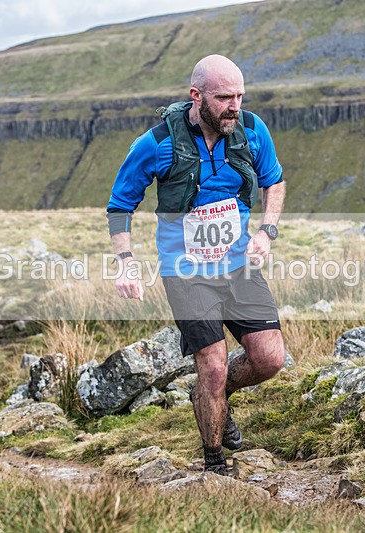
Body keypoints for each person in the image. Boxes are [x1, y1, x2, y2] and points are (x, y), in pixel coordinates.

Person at [107, 54, 287, 475]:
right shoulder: (155, 143)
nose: (234, 106)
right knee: (212, 365)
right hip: (186, 273)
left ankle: (212, 396)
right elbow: (120, 205)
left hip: (239, 265)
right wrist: (126, 262)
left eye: (240, 95)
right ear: (196, 95)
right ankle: (214, 463)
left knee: (270, 359)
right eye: (224, 97)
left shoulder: (253, 130)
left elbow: (273, 181)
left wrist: (267, 232)